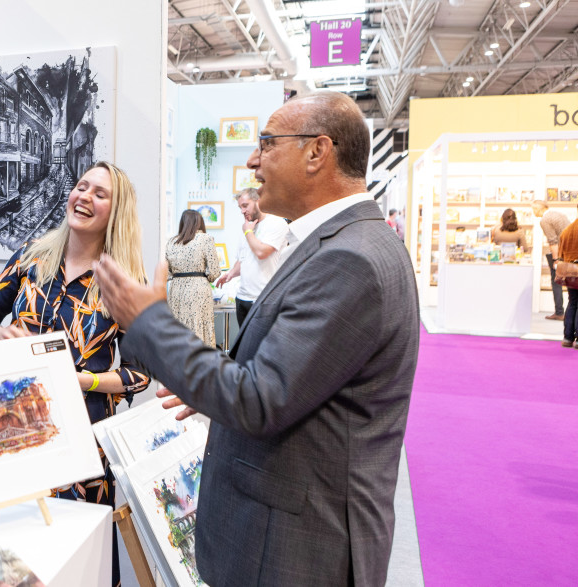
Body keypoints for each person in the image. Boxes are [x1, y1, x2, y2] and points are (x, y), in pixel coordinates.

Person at [92, 90, 419, 586]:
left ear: (317, 152)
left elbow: (259, 400)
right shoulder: (347, 244)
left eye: (266, 142)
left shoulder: (349, 259)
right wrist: (209, 391)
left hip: (297, 549)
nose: (252, 159)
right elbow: (290, 382)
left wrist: (148, 320)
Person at [0, 161, 150, 587]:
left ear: (115, 212)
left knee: (83, 559)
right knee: (20, 553)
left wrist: (84, 380)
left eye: (99, 193)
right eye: (81, 186)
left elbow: (140, 375)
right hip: (15, 431)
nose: (84, 196)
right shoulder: (33, 255)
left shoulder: (121, 281)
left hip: (82, 446)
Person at [214, 188, 288, 327]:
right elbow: (243, 259)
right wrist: (230, 274)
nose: (242, 211)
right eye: (240, 207)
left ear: (258, 201)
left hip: (263, 299)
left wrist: (248, 231)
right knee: (244, 347)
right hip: (242, 298)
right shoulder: (248, 227)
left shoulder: (276, 223)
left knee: (260, 346)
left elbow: (261, 252)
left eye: (245, 205)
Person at [165, 209, 220, 346]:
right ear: (199, 222)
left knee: (178, 327)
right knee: (200, 327)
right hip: (199, 288)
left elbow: (167, 272)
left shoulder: (171, 242)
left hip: (176, 289)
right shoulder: (205, 239)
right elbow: (214, 271)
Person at [533, 200, 570, 320]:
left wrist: (556, 260)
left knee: (556, 281)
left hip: (560, 253)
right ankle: (570, 312)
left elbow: (553, 241)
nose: (533, 212)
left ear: (538, 209)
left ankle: (559, 312)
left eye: (533, 209)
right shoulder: (557, 214)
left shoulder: (545, 220)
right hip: (569, 251)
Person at [557, 216, 578, 348]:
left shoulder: (567, 230)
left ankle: (567, 337)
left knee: (572, 302)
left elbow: (561, 254)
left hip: (570, 271)